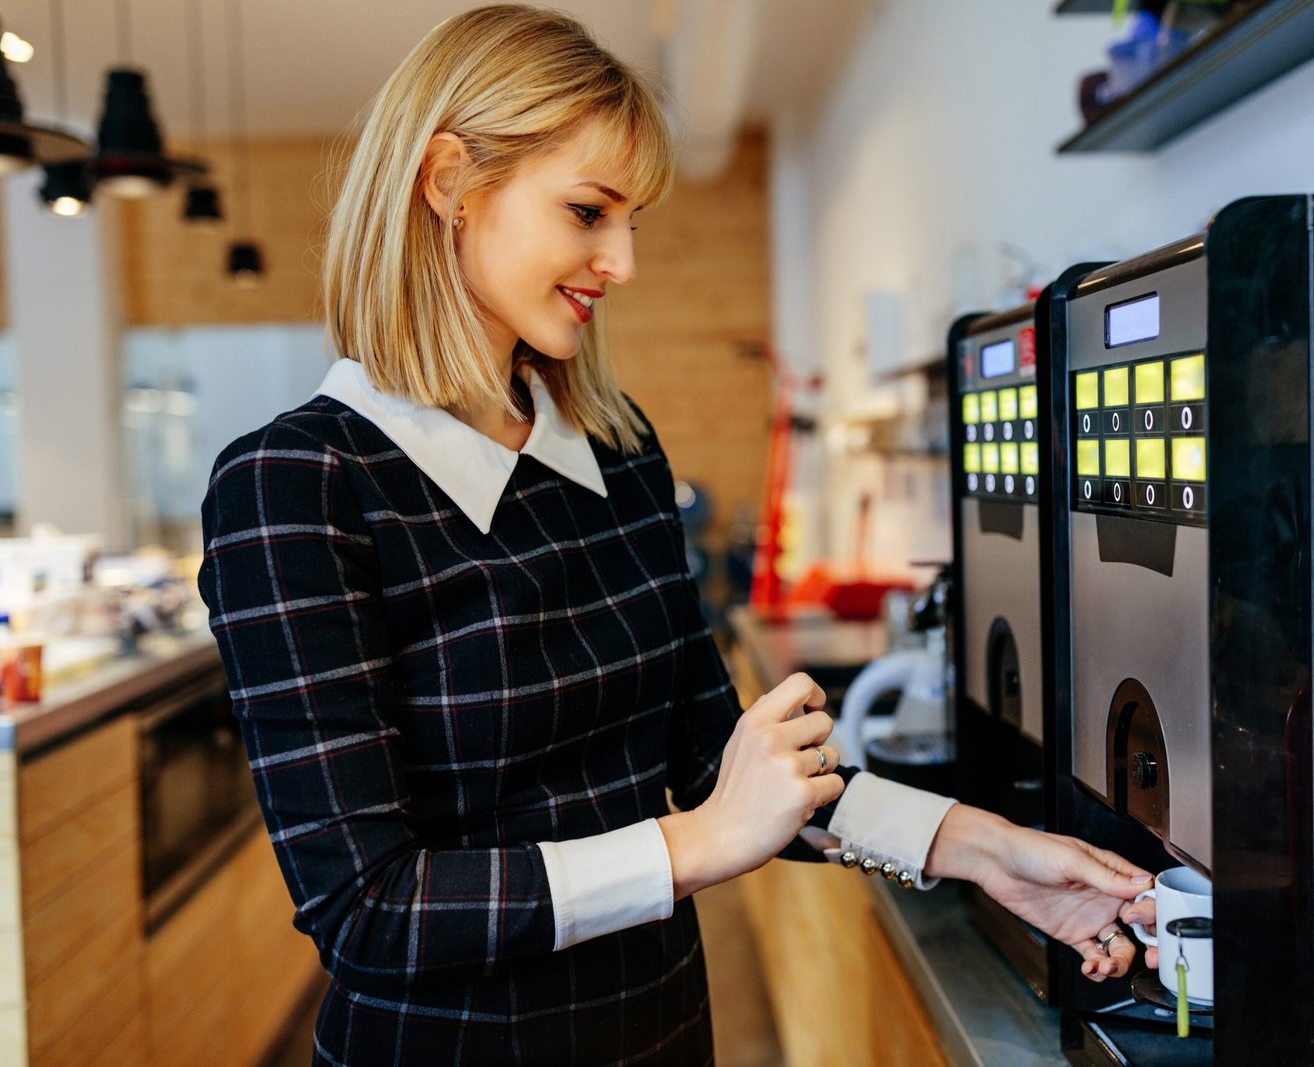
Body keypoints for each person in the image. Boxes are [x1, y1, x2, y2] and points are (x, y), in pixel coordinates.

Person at [198, 7, 1153, 1064]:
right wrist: (697, 845)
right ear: (448, 182)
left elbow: (717, 763)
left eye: (632, 220)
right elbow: (370, 906)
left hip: (660, 1030)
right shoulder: (297, 483)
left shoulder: (615, 447)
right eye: (587, 211)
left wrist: (974, 845)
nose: (622, 261)